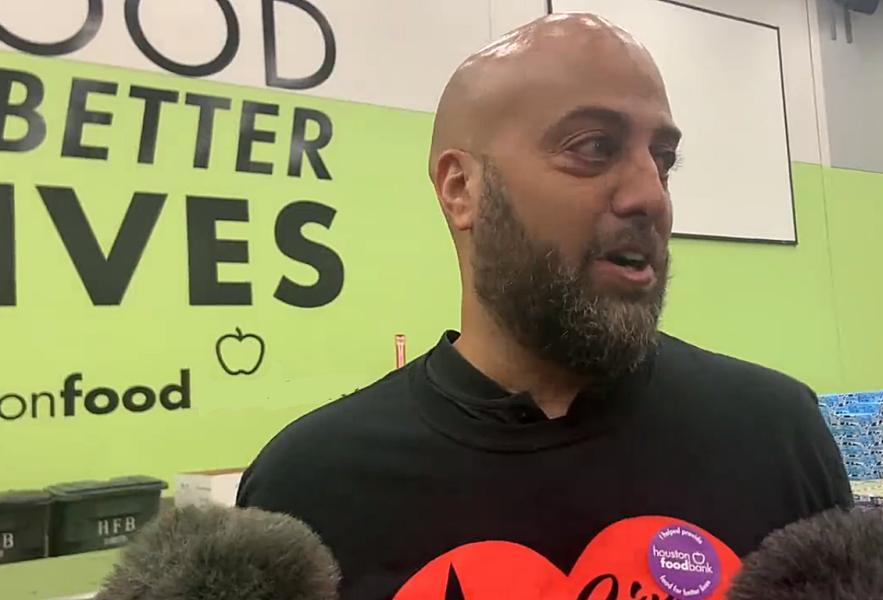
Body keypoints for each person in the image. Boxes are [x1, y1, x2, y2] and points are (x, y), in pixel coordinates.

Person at [237, 13, 851, 599]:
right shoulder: (311, 486)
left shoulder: (778, 439)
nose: (652, 197)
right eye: (594, 147)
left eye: (663, 160)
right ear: (461, 188)